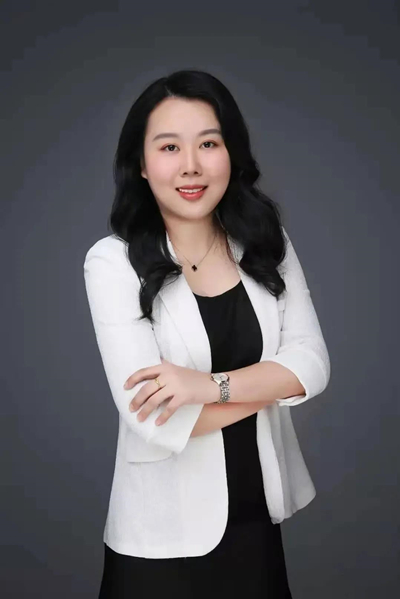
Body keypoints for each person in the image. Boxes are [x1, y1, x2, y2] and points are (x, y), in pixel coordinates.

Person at [83, 69, 331, 598]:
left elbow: (313, 364)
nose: (191, 165)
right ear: (141, 164)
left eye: (209, 144)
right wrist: (273, 384)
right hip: (159, 541)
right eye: (169, 147)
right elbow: (154, 419)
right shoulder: (112, 263)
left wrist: (205, 387)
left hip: (257, 521)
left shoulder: (267, 243)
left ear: (231, 154)